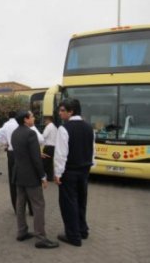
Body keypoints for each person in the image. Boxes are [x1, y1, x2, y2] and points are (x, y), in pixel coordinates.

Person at [11, 111, 59, 249]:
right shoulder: (30, 133)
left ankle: (21, 232)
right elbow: (36, 159)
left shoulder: (15, 133)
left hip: (18, 174)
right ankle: (41, 238)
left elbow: (22, 153)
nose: (34, 118)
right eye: (31, 116)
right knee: (38, 205)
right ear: (26, 120)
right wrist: (43, 176)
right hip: (31, 176)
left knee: (20, 204)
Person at [54, 98, 95, 247]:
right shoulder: (89, 127)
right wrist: (91, 165)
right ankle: (83, 230)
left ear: (71, 111)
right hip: (84, 170)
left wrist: (58, 173)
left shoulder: (64, 128)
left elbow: (60, 154)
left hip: (69, 171)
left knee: (68, 203)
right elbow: (92, 150)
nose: (60, 113)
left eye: (62, 110)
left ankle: (73, 236)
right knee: (81, 201)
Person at [0, 111, 33, 216]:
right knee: (28, 180)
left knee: (13, 181)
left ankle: (17, 209)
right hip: (23, 153)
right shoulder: (21, 124)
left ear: (8, 116)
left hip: (11, 154)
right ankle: (32, 209)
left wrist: (4, 144)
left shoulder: (6, 125)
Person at [42, 116, 58, 181]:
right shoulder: (55, 127)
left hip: (48, 147)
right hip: (53, 147)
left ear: (49, 120)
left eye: (45, 121)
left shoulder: (48, 127)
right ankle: (50, 177)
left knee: (45, 162)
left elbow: (44, 136)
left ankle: (44, 176)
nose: (44, 122)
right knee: (50, 163)